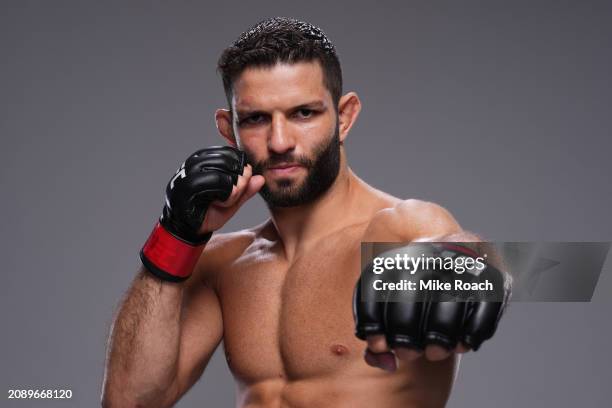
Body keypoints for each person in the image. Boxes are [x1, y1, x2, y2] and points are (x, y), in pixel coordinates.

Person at [101, 17, 509, 408]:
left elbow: (459, 255)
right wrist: (177, 235)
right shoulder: (225, 264)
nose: (280, 141)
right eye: (257, 119)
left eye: (304, 113)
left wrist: (471, 267)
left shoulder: (394, 230)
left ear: (344, 117)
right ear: (229, 131)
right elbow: (131, 400)